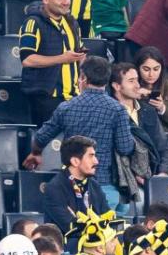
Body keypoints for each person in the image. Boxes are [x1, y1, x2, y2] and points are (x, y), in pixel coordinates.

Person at [26, 58, 134, 208]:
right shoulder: (118, 110)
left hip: (71, 185)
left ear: (83, 77)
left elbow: (42, 136)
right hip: (105, 184)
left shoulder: (66, 107)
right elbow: (125, 147)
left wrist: (36, 153)